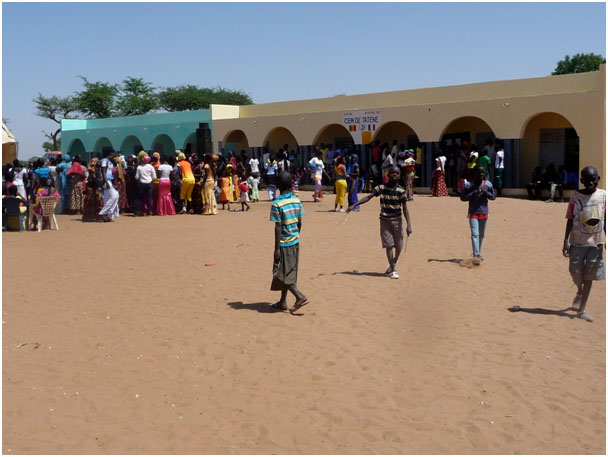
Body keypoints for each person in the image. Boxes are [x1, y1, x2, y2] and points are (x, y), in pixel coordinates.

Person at [347, 166, 412, 279]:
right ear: (388, 175)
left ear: (400, 176)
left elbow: (405, 208)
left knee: (399, 246)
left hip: (397, 221)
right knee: (389, 245)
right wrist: (354, 204)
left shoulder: (401, 191)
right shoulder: (381, 188)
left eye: (397, 173)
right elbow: (368, 197)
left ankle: (393, 263)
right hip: (385, 221)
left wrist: (409, 225)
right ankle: (393, 269)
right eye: (392, 173)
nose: (394, 175)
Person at [562, 166, 605, 322]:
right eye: (587, 180)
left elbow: (605, 219)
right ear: (581, 181)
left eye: (594, 179)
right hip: (577, 242)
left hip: (596, 243)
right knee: (575, 273)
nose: (591, 182)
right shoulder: (575, 196)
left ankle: (582, 309)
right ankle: (579, 291)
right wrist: (565, 241)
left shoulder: (603, 196)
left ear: (598, 179)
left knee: (589, 276)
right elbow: (569, 219)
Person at [269, 171, 308, 313]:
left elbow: (278, 226)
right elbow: (300, 222)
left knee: (280, 273)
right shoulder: (296, 201)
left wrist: (277, 248)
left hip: (284, 243)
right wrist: (296, 235)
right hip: (295, 242)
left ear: (278, 185)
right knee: (290, 271)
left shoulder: (277, 204)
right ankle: (282, 302)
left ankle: (299, 296)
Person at [460, 165, 496, 265]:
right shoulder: (469, 185)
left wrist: (487, 193)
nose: (481, 174)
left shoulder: (488, 184)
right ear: (474, 174)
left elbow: (493, 196)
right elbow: (462, 198)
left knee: (481, 235)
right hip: (473, 213)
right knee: (475, 234)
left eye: (483, 172)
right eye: (479, 173)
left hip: (484, 213)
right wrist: (474, 193)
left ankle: (478, 254)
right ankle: (476, 256)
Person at [98, 152, 120, 222]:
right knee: (115, 195)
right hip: (106, 180)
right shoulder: (104, 161)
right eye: (112, 154)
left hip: (109, 180)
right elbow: (103, 171)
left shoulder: (109, 162)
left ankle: (108, 214)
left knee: (108, 198)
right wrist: (106, 181)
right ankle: (103, 213)